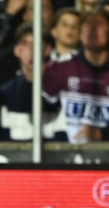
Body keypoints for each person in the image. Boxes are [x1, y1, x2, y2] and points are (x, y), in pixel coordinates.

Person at [43, 10, 109, 144]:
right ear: (80, 34)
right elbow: (38, 110)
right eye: (87, 26)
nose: (92, 30)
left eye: (99, 25)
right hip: (66, 157)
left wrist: (102, 133)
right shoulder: (60, 69)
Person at [0, 23, 65, 142]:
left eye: (37, 43)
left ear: (48, 50)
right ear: (17, 50)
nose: (31, 49)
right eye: (25, 44)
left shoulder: (61, 89)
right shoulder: (6, 92)